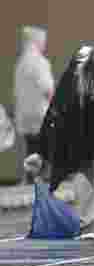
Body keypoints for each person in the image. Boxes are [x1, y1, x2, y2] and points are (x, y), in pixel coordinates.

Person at [26, 45, 94, 239]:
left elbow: (56, 107)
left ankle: (87, 224)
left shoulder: (76, 69)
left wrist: (41, 149)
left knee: (79, 164)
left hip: (77, 114)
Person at [13, 26, 54, 183]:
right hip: (40, 113)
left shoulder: (21, 63)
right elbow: (47, 89)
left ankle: (31, 177)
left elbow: (17, 92)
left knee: (31, 146)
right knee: (45, 145)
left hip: (24, 114)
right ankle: (43, 178)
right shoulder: (39, 62)